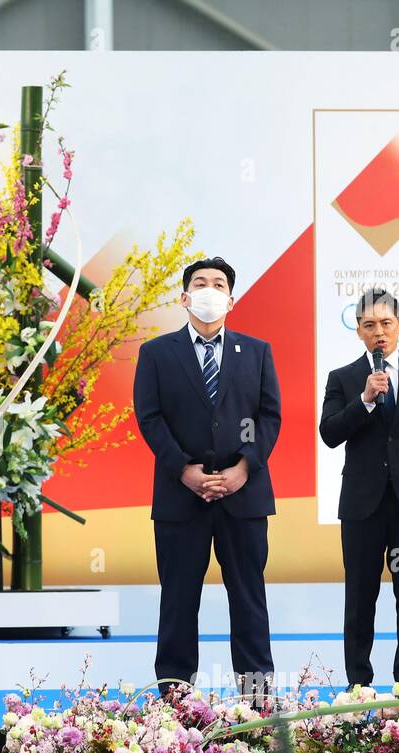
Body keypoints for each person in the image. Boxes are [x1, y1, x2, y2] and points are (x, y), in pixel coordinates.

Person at [132, 256, 282, 702]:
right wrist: (184, 469)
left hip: (244, 495)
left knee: (249, 599)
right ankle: (174, 702)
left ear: (232, 300)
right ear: (184, 297)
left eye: (219, 284)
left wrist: (243, 468)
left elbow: (268, 417)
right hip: (181, 498)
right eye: (201, 283)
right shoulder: (157, 353)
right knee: (178, 601)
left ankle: (257, 699)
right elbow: (150, 417)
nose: (210, 291)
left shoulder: (256, 352)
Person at [318, 287, 399, 692]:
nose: (379, 331)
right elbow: (329, 433)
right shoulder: (343, 379)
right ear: (358, 331)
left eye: (386, 323)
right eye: (369, 325)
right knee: (360, 596)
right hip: (362, 507)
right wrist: (365, 400)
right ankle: (359, 683)